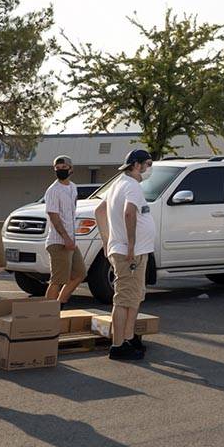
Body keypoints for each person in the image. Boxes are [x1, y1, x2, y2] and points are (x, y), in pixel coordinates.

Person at [94, 149, 156, 361]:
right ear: (136, 165)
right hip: (131, 254)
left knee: (134, 298)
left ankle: (128, 338)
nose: (149, 169)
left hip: (130, 251)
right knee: (123, 300)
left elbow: (99, 211)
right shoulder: (131, 186)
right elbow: (129, 213)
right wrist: (130, 245)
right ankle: (118, 345)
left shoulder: (118, 184)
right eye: (148, 164)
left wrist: (106, 240)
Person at [44, 155, 85, 304]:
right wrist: (66, 238)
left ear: (71, 169)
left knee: (80, 273)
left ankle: (59, 304)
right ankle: (47, 313)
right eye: (57, 168)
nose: (61, 170)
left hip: (71, 241)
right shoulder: (53, 190)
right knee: (57, 280)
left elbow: (71, 213)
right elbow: (54, 216)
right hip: (58, 241)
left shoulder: (73, 188)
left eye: (64, 168)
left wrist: (72, 239)